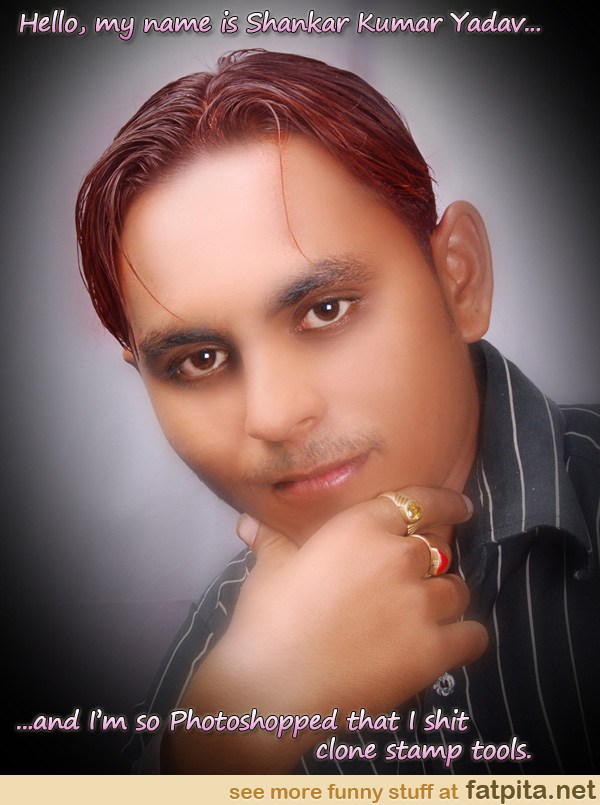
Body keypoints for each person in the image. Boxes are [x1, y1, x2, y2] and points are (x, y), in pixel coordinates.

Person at [76, 49, 599, 775]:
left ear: (460, 279)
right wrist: (226, 742)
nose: (274, 415)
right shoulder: (225, 654)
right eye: (199, 359)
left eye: (326, 310)